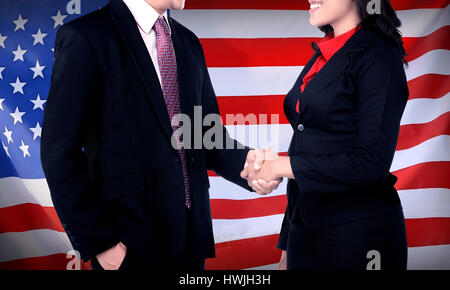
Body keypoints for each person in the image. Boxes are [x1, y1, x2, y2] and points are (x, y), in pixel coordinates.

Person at [41, 0, 280, 271]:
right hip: (127, 244)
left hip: (191, 241)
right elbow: (59, 152)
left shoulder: (188, 42)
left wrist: (249, 165)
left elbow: (204, 135)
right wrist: (101, 243)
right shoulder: (86, 36)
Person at [241, 0, 409, 270]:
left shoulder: (379, 56)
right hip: (305, 231)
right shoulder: (325, 52)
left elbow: (371, 163)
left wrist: (280, 166)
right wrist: (287, 245)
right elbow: (306, 145)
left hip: (358, 236)